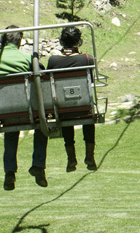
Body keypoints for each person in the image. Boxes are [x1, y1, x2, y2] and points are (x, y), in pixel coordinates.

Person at [0, 25, 48, 191]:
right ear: (19, 41)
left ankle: (9, 172)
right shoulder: (27, 58)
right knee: (42, 125)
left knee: (10, 129)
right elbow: (43, 75)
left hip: (4, 112)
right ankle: (38, 165)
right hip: (28, 110)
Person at [47, 26, 98, 172]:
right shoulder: (87, 59)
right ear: (78, 41)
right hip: (83, 106)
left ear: (62, 42)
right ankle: (89, 155)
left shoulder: (53, 61)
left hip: (62, 108)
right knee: (87, 114)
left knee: (65, 113)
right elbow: (91, 81)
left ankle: (71, 158)